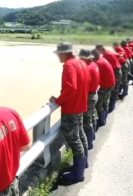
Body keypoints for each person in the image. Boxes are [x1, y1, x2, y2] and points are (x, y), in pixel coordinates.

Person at [49, 42, 90, 182]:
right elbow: (88, 81)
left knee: (74, 139)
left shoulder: (69, 65)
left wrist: (58, 100)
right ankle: (83, 164)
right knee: (81, 135)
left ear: (63, 53)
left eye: (58, 54)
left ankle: (78, 174)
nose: (58, 57)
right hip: (80, 106)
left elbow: (71, 87)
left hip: (72, 108)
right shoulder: (81, 63)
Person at [78, 49, 99, 150]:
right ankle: (93, 137)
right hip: (94, 94)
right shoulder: (94, 65)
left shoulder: (88, 68)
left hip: (89, 97)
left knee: (87, 121)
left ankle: (89, 143)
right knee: (91, 116)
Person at [91, 49, 115, 129]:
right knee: (104, 101)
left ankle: (101, 121)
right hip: (110, 83)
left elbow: (96, 77)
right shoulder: (102, 59)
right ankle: (104, 117)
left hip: (106, 85)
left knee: (98, 103)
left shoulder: (97, 63)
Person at [95, 44, 121, 113]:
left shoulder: (107, 54)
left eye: (98, 50)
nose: (98, 52)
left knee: (114, 91)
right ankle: (108, 109)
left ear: (100, 49)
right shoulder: (107, 53)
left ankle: (111, 107)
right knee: (108, 95)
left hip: (116, 72)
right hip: (114, 71)